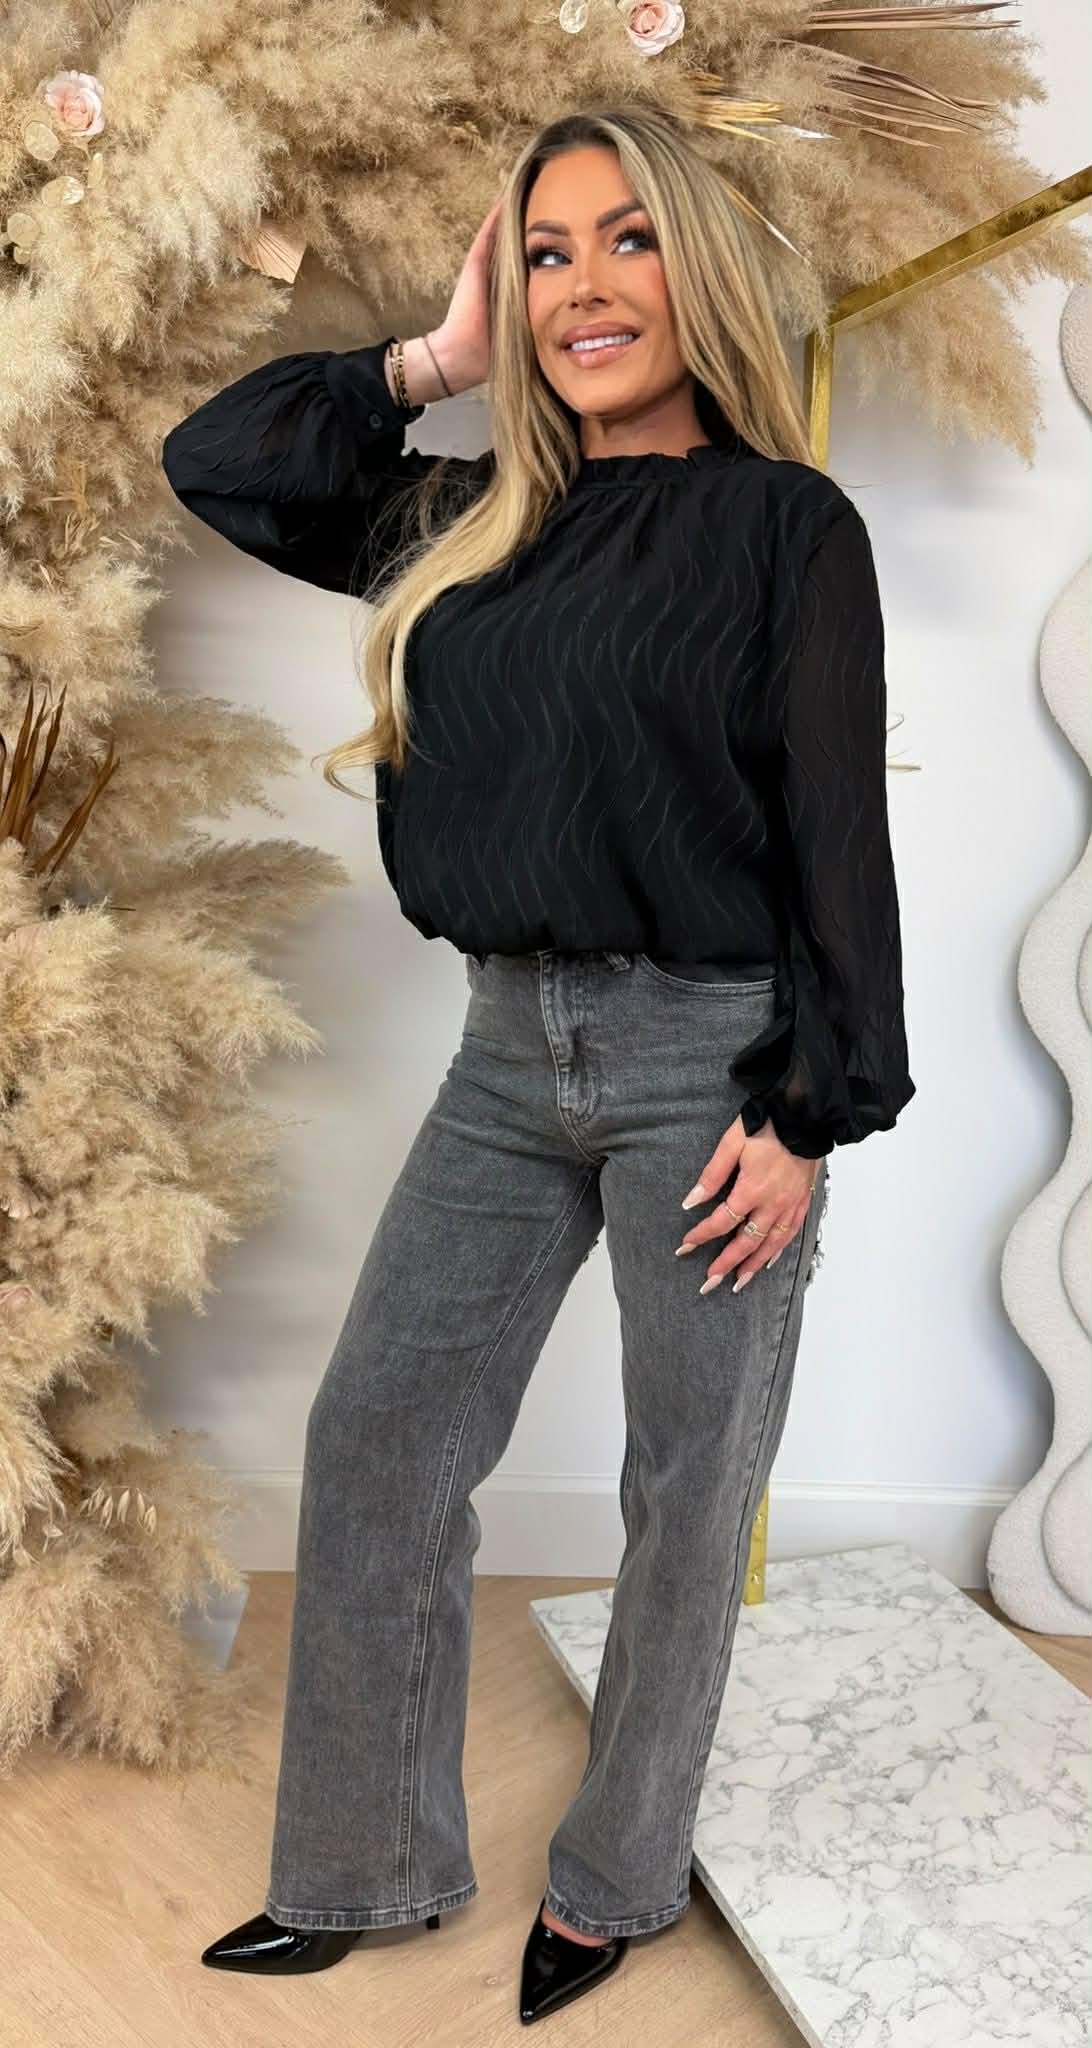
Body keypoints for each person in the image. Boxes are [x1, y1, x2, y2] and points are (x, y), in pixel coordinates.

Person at [161, 101, 915, 2029]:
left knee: (687, 1487)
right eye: (548, 250)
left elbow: (837, 833)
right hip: (504, 1055)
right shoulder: (467, 521)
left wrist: (807, 1115)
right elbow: (217, 462)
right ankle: (360, 1865)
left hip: (712, 1068)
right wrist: (433, 356)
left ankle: (618, 1878)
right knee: (381, 1439)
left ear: (698, 267)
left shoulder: (785, 526)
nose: (586, 285)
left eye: (627, 239)